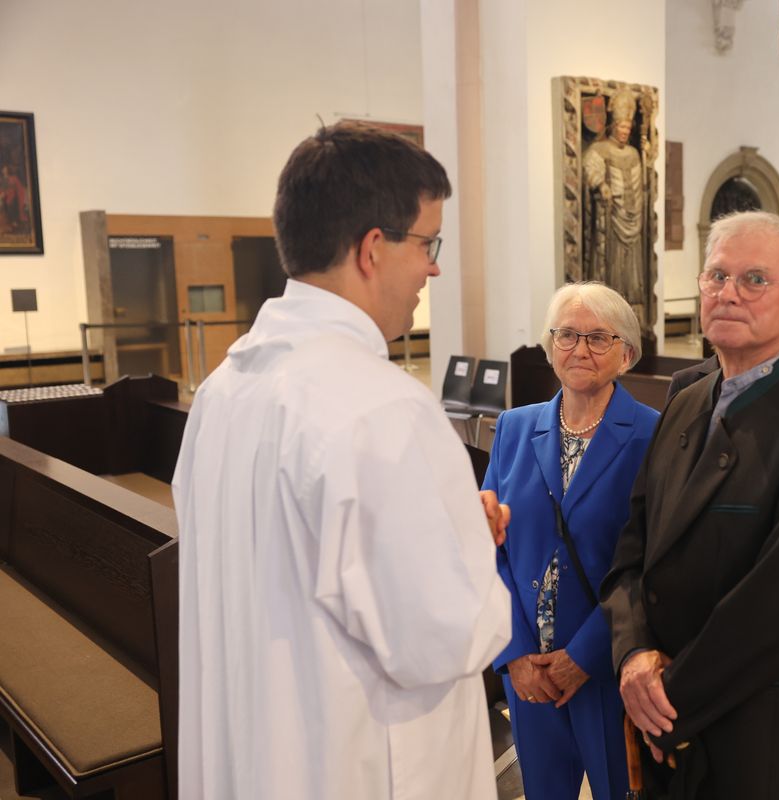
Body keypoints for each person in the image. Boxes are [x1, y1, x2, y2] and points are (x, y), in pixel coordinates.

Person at [172, 121, 511, 800]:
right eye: (427, 242)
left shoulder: (222, 392)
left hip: (255, 755)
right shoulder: (383, 411)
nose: (433, 267)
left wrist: (442, 530)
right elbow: (445, 633)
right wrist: (469, 540)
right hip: (348, 764)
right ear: (372, 249)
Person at [601, 211, 779, 799]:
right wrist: (634, 654)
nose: (728, 293)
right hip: (665, 719)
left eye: (754, 280)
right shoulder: (687, 401)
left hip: (758, 734)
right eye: (716, 276)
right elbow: (634, 549)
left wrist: (668, 701)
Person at [481, 282, 659, 800]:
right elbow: (487, 546)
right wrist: (513, 653)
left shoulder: (654, 435)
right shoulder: (514, 428)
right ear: (548, 346)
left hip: (605, 669)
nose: (580, 349)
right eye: (566, 335)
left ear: (626, 354)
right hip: (528, 673)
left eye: (598, 338)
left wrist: (583, 656)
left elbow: (653, 559)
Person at [583, 90, 647, 315]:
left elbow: (642, 184)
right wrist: (602, 185)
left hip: (633, 218)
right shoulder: (599, 149)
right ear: (613, 126)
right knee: (613, 258)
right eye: (621, 127)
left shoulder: (633, 153)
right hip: (612, 217)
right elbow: (590, 168)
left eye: (628, 128)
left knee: (632, 262)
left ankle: (633, 302)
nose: (624, 132)